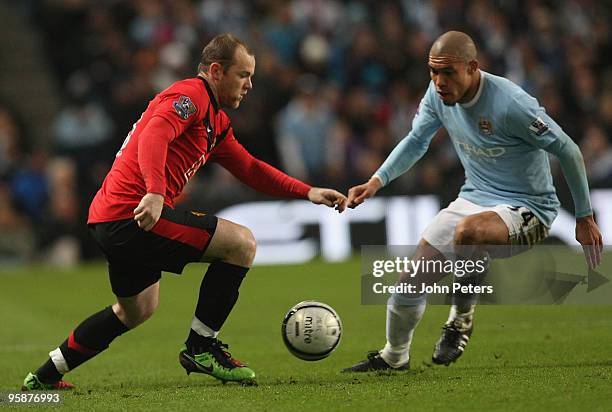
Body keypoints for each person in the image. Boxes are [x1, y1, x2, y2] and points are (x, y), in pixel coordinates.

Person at [22, 33, 347, 390]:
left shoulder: (216, 122)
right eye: (243, 75)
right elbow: (153, 137)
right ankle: (201, 347)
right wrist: (156, 192)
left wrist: (308, 191)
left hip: (110, 218)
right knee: (241, 243)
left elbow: (250, 169)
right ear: (216, 71)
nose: (250, 85)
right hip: (132, 214)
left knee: (136, 310)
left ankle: (44, 377)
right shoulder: (189, 96)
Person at [342, 31, 603, 372]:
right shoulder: (438, 95)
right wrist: (377, 180)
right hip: (473, 199)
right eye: (432, 72)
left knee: (468, 232)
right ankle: (395, 356)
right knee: (408, 285)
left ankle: (461, 319)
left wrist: (584, 216)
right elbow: (416, 140)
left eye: (447, 72)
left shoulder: (511, 103)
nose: (438, 82)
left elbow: (567, 149)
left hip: (529, 208)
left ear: (472, 67)